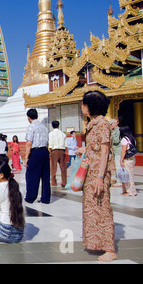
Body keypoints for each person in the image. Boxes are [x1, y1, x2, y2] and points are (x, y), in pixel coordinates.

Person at [76, 90, 117, 262]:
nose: (82, 107)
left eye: (84, 104)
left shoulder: (102, 124)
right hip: (90, 172)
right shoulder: (92, 124)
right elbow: (97, 148)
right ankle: (95, 242)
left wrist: (100, 177)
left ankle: (110, 249)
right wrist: (84, 150)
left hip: (97, 174)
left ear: (90, 106)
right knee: (92, 209)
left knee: (102, 208)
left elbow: (105, 151)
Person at [23, 109, 51, 204]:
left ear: (28, 117)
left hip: (36, 152)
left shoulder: (31, 127)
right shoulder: (44, 127)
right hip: (44, 151)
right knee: (45, 176)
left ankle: (30, 197)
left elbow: (29, 143)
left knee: (31, 175)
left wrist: (26, 158)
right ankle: (45, 198)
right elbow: (47, 142)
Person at [119, 126, 138, 197]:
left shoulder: (124, 139)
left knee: (127, 176)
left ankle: (131, 191)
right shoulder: (132, 139)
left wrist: (121, 160)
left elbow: (124, 150)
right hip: (132, 158)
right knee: (130, 174)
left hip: (127, 159)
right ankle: (127, 190)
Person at [48, 121, 67, 187]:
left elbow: (50, 145)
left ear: (52, 126)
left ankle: (54, 182)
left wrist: (50, 152)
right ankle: (64, 182)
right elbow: (65, 144)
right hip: (62, 150)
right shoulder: (63, 134)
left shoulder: (51, 134)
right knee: (63, 167)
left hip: (54, 151)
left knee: (53, 167)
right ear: (58, 126)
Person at [110, 119, 122, 186]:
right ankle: (117, 179)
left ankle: (119, 181)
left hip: (118, 150)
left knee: (118, 166)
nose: (111, 125)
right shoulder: (113, 131)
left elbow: (116, 140)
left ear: (115, 124)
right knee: (115, 166)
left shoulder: (118, 130)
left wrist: (110, 138)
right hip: (113, 151)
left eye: (111, 124)